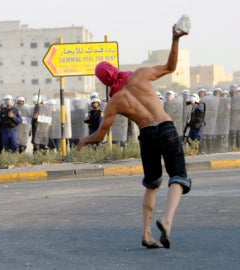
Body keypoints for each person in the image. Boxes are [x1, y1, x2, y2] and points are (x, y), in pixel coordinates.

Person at [78, 25, 191, 249]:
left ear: (104, 81)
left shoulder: (115, 102)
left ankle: (147, 234)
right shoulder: (140, 75)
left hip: (147, 135)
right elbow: (170, 67)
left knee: (152, 184)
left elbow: (100, 135)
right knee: (178, 175)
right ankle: (167, 221)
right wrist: (175, 39)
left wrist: (84, 141)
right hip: (165, 128)